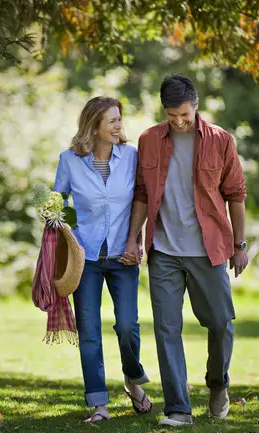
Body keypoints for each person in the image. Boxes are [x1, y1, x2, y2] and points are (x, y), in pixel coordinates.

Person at [120, 74, 249, 426]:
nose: (178, 121)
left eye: (184, 115)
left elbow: (236, 194)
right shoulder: (149, 140)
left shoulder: (221, 140)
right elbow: (142, 194)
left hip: (209, 250)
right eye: (171, 114)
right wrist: (133, 238)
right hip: (163, 250)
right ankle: (178, 408)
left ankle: (218, 383)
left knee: (221, 323)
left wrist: (240, 245)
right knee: (166, 327)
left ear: (196, 106)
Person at [53, 96, 152, 423]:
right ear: (93, 125)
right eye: (112, 121)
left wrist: (134, 241)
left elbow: (142, 198)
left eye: (119, 120)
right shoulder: (69, 161)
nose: (119, 126)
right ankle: (99, 406)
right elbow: (59, 201)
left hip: (123, 257)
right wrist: (60, 221)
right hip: (86, 259)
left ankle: (132, 379)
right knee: (90, 332)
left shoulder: (132, 157)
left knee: (127, 326)